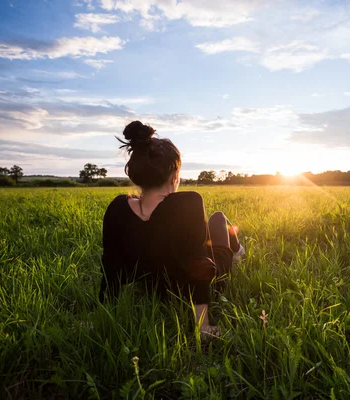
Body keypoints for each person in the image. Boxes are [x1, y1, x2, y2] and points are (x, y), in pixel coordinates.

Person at [99, 120, 244, 335]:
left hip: (153, 289)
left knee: (214, 222)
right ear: (174, 175)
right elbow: (201, 265)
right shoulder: (189, 202)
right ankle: (237, 252)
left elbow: (109, 266)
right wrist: (202, 326)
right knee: (218, 218)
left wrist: (102, 316)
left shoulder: (118, 208)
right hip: (201, 280)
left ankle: (237, 250)